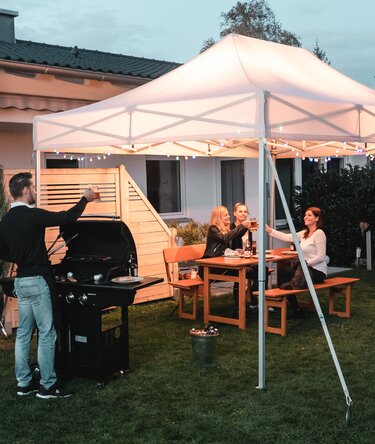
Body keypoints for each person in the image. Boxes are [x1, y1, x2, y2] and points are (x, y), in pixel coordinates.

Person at [0, 172, 95, 398]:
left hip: (21, 281)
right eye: (32, 188)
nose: (35, 191)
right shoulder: (32, 215)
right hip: (38, 281)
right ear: (24, 190)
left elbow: (2, 251)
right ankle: (48, 386)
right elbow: (66, 218)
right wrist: (85, 199)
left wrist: (22, 257)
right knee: (46, 333)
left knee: (23, 334)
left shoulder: (5, 221)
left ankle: (23, 384)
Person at [266, 207, 327, 317]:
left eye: (309, 215)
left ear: (317, 218)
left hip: (317, 271)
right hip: (302, 269)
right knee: (283, 270)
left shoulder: (319, 233)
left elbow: (321, 256)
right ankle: (295, 308)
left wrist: (305, 263)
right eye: (305, 215)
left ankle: (291, 285)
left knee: (299, 267)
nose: (305, 217)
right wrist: (270, 230)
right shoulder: (304, 233)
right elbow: (286, 237)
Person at [199, 206, 254, 315]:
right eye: (226, 215)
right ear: (219, 217)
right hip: (209, 268)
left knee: (252, 270)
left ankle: (249, 303)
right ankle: (242, 307)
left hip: (221, 266)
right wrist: (242, 226)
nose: (228, 216)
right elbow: (225, 238)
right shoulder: (213, 229)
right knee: (243, 271)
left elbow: (229, 244)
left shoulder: (226, 229)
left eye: (228, 214)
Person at [230, 202, 265, 310]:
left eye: (245, 212)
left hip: (247, 260)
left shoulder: (248, 228)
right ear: (234, 213)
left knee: (263, 269)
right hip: (234, 262)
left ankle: (255, 302)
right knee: (244, 274)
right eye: (240, 211)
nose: (243, 214)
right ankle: (239, 304)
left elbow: (250, 245)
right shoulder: (232, 227)